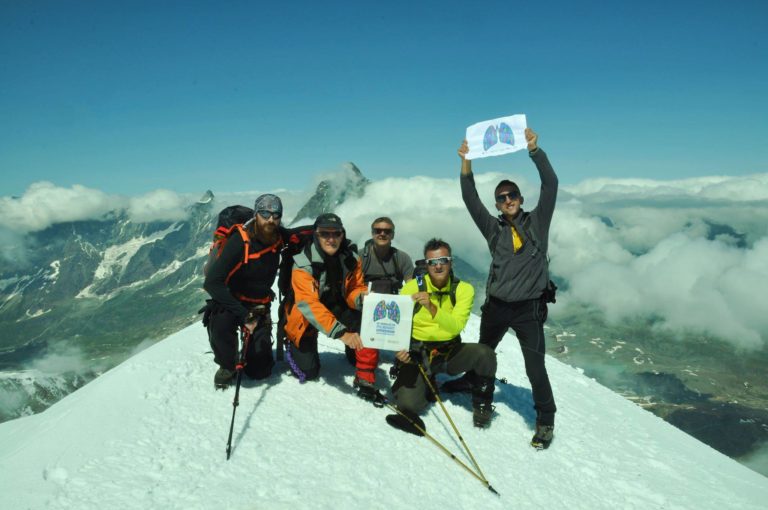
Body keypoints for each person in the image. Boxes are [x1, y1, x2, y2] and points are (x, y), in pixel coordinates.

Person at [447, 127, 558, 449]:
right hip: (496, 305)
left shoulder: (537, 222)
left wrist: (535, 151)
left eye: (512, 195)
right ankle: (472, 381)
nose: (507, 200)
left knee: (535, 367)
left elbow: (550, 184)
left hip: (528, 309)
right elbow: (470, 198)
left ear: (521, 199)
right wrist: (466, 162)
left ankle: (545, 419)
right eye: (501, 197)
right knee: (483, 351)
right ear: (497, 204)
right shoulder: (493, 229)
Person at [385, 239, 497, 435]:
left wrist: (431, 307)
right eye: (432, 262)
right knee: (406, 404)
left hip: (449, 351)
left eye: (443, 260)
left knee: (485, 354)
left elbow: (455, 327)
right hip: (418, 352)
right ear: (425, 265)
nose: (438, 266)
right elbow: (397, 324)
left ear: (451, 262)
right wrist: (399, 348)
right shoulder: (412, 288)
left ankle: (483, 404)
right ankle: (427, 385)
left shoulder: (463, 290)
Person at [203, 194, 286, 389]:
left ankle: (252, 353)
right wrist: (245, 315)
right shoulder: (240, 240)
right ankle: (227, 364)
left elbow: (302, 233)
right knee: (221, 323)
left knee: (260, 371)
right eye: (265, 214)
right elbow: (212, 282)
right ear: (256, 214)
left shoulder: (279, 236)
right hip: (232, 301)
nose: (270, 219)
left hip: (259, 302)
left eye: (276, 215)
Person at [282, 213, 367, 380]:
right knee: (308, 372)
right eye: (324, 234)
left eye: (336, 233)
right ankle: (294, 343)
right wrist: (341, 333)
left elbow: (354, 288)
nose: (331, 239)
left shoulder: (350, 259)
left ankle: (353, 350)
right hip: (305, 315)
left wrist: (360, 298)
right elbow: (309, 304)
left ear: (343, 235)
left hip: (335, 305)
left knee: (360, 358)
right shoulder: (303, 264)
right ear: (316, 235)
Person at [350, 217, 415, 401]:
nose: (382, 233)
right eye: (378, 230)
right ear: (372, 233)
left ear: (392, 234)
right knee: (360, 344)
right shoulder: (361, 256)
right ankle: (364, 375)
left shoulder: (401, 258)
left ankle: (400, 362)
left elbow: (411, 285)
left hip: (392, 308)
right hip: (365, 309)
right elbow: (351, 285)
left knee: (404, 337)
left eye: (387, 231)